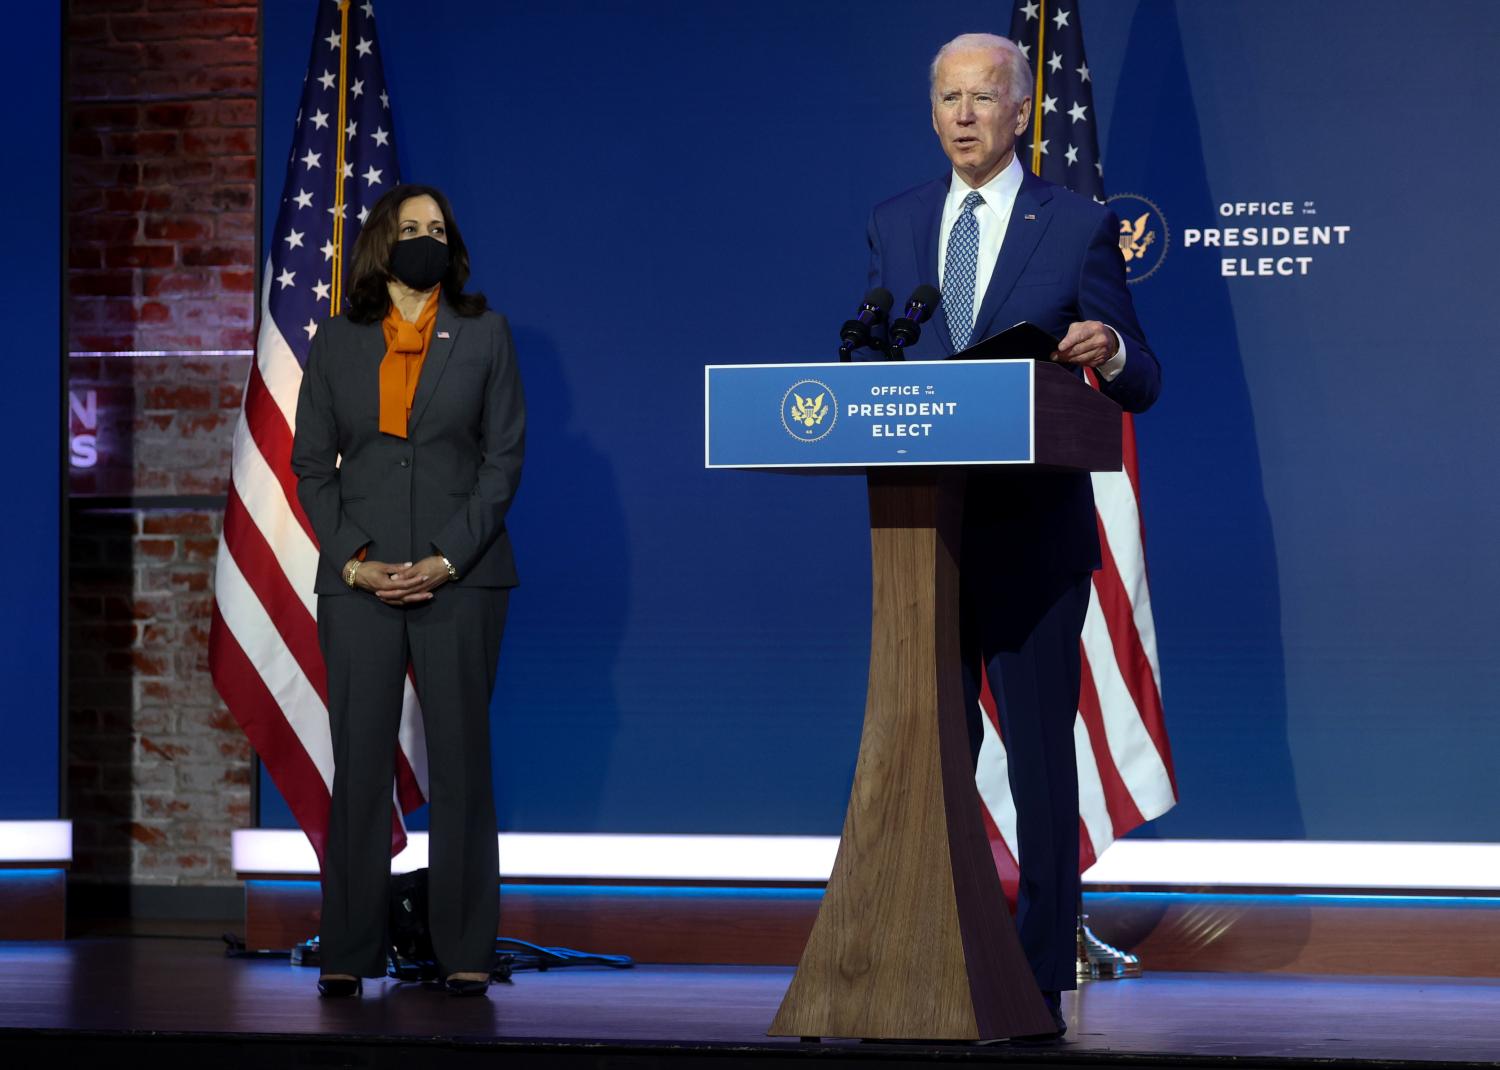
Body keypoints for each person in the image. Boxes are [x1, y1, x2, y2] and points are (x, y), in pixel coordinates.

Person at [861, 33, 1160, 1036]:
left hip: (1034, 534)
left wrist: (1109, 345)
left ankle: (1034, 974)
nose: (961, 115)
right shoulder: (898, 223)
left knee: (1038, 759)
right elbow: (875, 349)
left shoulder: (1076, 225)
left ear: (1023, 109)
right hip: (923, 539)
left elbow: (1144, 374)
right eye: (946, 97)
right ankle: (934, 946)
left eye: (982, 98)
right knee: (929, 753)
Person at [290, 183, 525, 998]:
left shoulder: (486, 335)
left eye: (438, 228)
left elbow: (502, 465)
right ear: (382, 241)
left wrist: (446, 558)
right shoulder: (336, 342)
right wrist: (354, 561)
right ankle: (350, 951)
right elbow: (311, 466)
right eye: (410, 226)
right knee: (358, 765)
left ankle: (465, 947)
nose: (425, 237)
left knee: (463, 763)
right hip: (358, 581)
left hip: (462, 578)